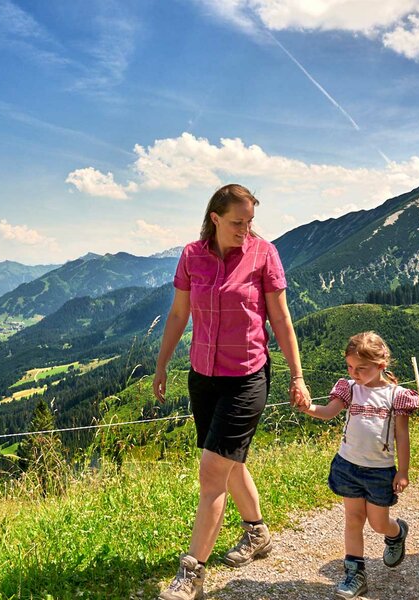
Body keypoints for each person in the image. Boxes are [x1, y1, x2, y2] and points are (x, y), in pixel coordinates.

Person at [153, 183, 311, 600]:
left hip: (246, 377)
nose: (246, 229)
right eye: (238, 222)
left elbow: (281, 319)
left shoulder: (264, 254)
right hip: (202, 376)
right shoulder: (191, 255)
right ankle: (257, 532)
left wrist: (297, 375)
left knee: (211, 474)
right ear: (215, 218)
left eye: (250, 222)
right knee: (228, 461)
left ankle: (192, 574)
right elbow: (178, 312)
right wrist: (162, 362)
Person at [299, 331, 419, 599]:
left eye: (361, 369)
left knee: (378, 524)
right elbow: (329, 413)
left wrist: (403, 470)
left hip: (379, 472)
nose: (354, 373)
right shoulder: (350, 389)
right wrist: (307, 407)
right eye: (350, 367)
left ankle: (397, 532)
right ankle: (355, 573)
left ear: (381, 365)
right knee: (353, 520)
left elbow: (402, 435)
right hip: (348, 466)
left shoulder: (395, 395)